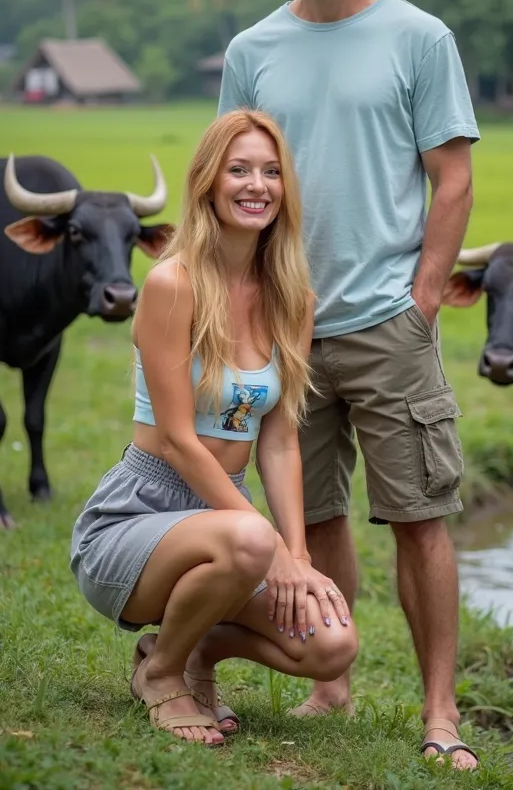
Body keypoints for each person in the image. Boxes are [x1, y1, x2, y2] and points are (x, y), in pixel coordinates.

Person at [217, 0, 481, 769]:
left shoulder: (420, 38)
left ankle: (440, 711)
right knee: (317, 517)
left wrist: (420, 304)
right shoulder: (253, 51)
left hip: (388, 324)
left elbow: (452, 181)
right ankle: (333, 683)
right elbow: (230, 187)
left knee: (419, 516)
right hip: (285, 331)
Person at [70, 108, 358, 746]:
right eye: (239, 170)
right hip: (138, 515)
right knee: (251, 542)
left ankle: (188, 650)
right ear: (208, 182)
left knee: (333, 646)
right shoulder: (173, 284)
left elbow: (280, 440)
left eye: (270, 172)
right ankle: (164, 678)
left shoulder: (293, 297)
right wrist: (272, 548)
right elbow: (176, 438)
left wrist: (300, 556)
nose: (256, 185)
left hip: (233, 521)